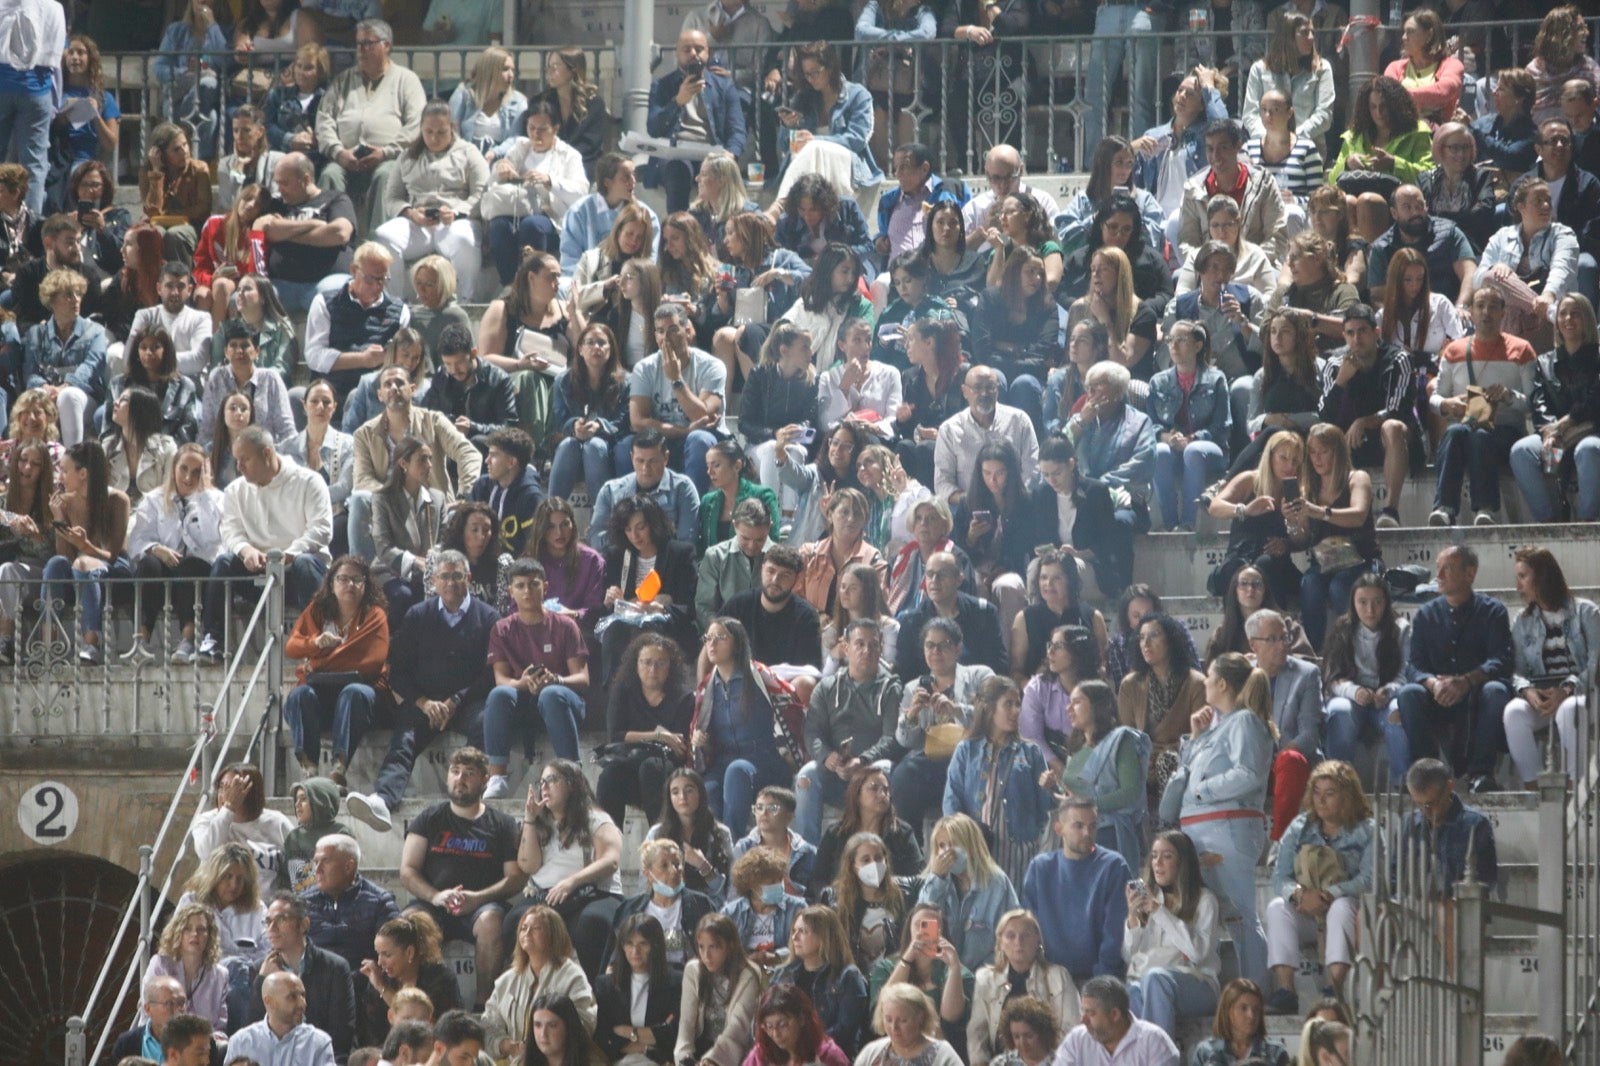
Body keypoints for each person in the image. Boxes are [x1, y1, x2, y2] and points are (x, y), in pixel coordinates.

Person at [397, 747, 525, 1008]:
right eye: (455, 772)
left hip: (482, 905)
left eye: (469, 773)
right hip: (435, 902)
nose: (460, 778)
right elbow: (407, 871)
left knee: (491, 922)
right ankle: (418, 1004)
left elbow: (515, 878)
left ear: (485, 780)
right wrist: (436, 896)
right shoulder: (430, 818)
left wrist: (477, 898)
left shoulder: (502, 824)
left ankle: (484, 1004)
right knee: (409, 923)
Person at [1175, 654, 1274, 988]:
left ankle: (1255, 991)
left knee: (1239, 915)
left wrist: (1203, 792)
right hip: (1203, 831)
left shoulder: (1245, 720)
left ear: (1222, 684)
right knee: (1210, 914)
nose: (1203, 681)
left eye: (1209, 675)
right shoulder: (1219, 725)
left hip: (1228, 830)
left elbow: (1249, 773)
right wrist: (1196, 736)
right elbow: (1189, 772)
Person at [196, 427, 332, 662]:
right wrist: (246, 550)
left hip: (298, 571)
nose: (239, 467)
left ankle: (320, 639)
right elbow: (230, 530)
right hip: (258, 571)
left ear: (267, 453)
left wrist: (290, 553)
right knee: (223, 563)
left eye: (245, 459)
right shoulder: (234, 490)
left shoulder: (309, 481)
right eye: (237, 460)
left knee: (306, 563)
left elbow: (321, 529)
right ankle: (213, 638)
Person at [1398, 543, 1516, 792]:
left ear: (1470, 573)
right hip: (1438, 694)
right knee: (1409, 693)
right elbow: (1414, 666)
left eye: (1447, 569)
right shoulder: (1425, 615)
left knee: (1496, 690)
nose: (1438, 576)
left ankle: (1481, 772)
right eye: (1437, 569)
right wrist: (1433, 683)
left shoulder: (1493, 612)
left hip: (1477, 694)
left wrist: (1466, 681)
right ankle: (1427, 773)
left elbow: (1502, 660)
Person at [1264, 761, 1373, 1015]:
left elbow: (1369, 878)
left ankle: (1332, 989)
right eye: (1316, 792)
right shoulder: (1300, 827)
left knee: (1342, 908)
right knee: (1277, 907)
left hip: (1345, 910)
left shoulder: (1366, 830)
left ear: (1347, 796)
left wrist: (1329, 894)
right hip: (1307, 909)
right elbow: (1280, 877)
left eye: (1330, 793)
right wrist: (1299, 894)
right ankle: (1286, 991)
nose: (1321, 800)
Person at [349, 362, 479, 561]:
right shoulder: (364, 434)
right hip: (388, 508)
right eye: (387, 384)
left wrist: (464, 493)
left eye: (399, 383)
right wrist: (394, 497)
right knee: (359, 500)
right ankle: (361, 572)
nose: (393, 387)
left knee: (457, 516)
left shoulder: (433, 421)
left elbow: (468, 453)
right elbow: (363, 479)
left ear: (412, 389)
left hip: (432, 507)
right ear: (380, 395)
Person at [509, 758, 626, 981]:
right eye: (541, 781)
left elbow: (610, 861)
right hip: (545, 894)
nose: (544, 786)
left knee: (591, 923)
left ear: (572, 784)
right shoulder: (539, 821)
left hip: (593, 893)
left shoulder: (597, 819)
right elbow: (528, 865)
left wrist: (572, 881)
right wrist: (530, 819)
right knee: (514, 920)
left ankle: (595, 992)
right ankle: (529, 989)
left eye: (552, 780)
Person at [1428, 287, 1536, 527]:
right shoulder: (1454, 351)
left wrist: (1509, 396)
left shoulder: (1521, 349)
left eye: (1493, 307)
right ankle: (1444, 508)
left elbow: (1533, 403)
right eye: (1480, 306)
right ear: (1471, 312)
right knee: (1456, 432)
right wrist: (1448, 404)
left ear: (1502, 313)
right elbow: (1435, 399)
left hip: (1506, 430)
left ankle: (1485, 509)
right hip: (1465, 425)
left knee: (1481, 437)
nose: (1486, 312)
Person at [479, 558, 589, 789]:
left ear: (545, 587)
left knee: (550, 693)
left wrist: (555, 679)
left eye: (533, 584)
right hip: (524, 702)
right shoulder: (502, 629)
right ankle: (497, 776)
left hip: (562, 703)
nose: (527, 591)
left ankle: (572, 774)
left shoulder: (565, 626)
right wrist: (523, 682)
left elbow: (582, 678)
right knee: (498, 695)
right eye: (520, 586)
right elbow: (501, 679)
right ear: (511, 592)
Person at [282, 554, 389, 788]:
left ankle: (339, 769)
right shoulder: (317, 610)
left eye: (356, 579)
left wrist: (314, 664)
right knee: (300, 696)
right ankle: (309, 769)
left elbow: (371, 661)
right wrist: (316, 643)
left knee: (353, 692)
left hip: (362, 696)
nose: (350, 584)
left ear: (366, 585)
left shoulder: (375, 614)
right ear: (331, 584)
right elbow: (292, 647)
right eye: (342, 579)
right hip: (321, 694)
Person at [313, 19, 427, 237]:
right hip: (346, 158)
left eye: (368, 44)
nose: (361, 50)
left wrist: (386, 152)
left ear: (387, 45)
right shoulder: (344, 80)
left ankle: (378, 245)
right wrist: (338, 152)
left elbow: (416, 124)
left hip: (388, 158)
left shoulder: (406, 80)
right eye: (358, 44)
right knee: (329, 174)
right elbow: (324, 120)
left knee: (386, 175)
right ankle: (330, 242)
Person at [1499, 547, 1597, 789]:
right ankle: (1535, 789)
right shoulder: (1522, 622)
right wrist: (1527, 691)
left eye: (1523, 577)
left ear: (1542, 577)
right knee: (1513, 712)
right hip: (1544, 694)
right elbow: (1518, 670)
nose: (1518, 585)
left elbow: (1596, 662)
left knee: (1568, 711)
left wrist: (1568, 688)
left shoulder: (1586, 612)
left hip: (1586, 694)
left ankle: (1578, 787)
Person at [690, 616, 795, 836]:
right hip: (722, 761)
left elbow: (791, 703)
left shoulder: (758, 674)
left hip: (763, 759)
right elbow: (701, 733)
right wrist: (701, 741)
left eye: (720, 637)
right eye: (708, 638)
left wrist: (790, 750)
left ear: (736, 642)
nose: (712, 643)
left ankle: (733, 852)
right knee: (705, 790)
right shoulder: (707, 685)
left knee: (736, 771)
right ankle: (712, 855)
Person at [1315, 304, 1414, 528]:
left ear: (1375, 333)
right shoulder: (1334, 364)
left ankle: (1390, 510)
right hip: (1350, 442)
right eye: (1350, 333)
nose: (1356, 339)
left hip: (1393, 441)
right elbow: (1324, 417)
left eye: (1362, 331)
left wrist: (1363, 422)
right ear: (1343, 336)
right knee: (1320, 436)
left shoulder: (1398, 359)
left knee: (1392, 426)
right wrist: (1341, 381)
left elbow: (1397, 409)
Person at [1510, 294, 1600, 522]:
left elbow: (1594, 400)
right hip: (1557, 435)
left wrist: (1565, 425)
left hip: (1591, 431)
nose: (1568, 319)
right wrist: (1551, 433)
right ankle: (1550, 521)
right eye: (1563, 313)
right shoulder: (1544, 362)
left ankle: (1587, 521)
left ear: (1587, 319)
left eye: (1575, 313)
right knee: (1521, 451)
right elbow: (1539, 403)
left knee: (1588, 450)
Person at [40, 440, 129, 665]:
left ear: (83, 473)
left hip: (112, 571)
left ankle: (92, 641)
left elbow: (113, 554)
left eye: (65, 470)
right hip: (79, 570)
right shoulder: (65, 502)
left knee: (84, 563)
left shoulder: (117, 500)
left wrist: (85, 546)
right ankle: (46, 644)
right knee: (55, 564)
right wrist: (59, 520)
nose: (60, 477)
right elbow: (65, 557)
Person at [628, 303, 727, 495]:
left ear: (688, 331)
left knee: (698, 438)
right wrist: (684, 430)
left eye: (673, 330)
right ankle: (635, 509)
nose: (666, 338)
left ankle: (694, 511)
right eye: (660, 331)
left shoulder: (712, 366)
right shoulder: (644, 368)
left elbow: (702, 416)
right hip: (665, 438)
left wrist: (676, 379)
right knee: (627, 447)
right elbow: (638, 422)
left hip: (706, 439)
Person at [1321, 573, 1411, 785]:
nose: (1370, 610)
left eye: (1377, 602)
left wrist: (1388, 690)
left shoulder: (1401, 629)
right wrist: (1354, 691)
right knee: (1338, 710)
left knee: (1398, 712)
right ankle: (1338, 781)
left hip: (1385, 697)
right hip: (1352, 696)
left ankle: (1404, 782)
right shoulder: (1342, 629)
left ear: (1386, 602)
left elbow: (1406, 673)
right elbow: (1332, 678)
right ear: (1353, 602)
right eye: (1363, 602)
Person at [645, 30, 747, 213]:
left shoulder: (723, 86)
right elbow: (653, 128)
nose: (693, 53)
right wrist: (677, 101)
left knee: (718, 172)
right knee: (678, 170)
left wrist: (731, 154)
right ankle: (679, 231)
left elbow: (737, 130)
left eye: (699, 49)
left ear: (708, 53)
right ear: (677, 53)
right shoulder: (661, 86)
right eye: (687, 49)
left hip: (712, 154)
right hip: (675, 155)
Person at [304, 242, 414, 409]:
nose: (377, 286)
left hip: (376, 397)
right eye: (370, 279)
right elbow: (314, 355)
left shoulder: (399, 311)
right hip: (332, 393)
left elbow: (403, 360)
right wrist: (363, 359)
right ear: (354, 270)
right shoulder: (325, 303)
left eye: (383, 279)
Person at [481, 908, 599, 1061]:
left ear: (553, 935)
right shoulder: (507, 980)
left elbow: (584, 1023)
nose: (527, 932)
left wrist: (538, 1049)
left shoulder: (572, 976)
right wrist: (507, 1045)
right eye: (523, 928)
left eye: (536, 928)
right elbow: (488, 1023)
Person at [966, 912, 1076, 1066]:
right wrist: (980, 1062)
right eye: (1010, 936)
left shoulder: (1058, 976)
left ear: (1038, 939)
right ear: (1000, 942)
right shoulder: (985, 979)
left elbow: (1071, 1030)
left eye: (1026, 935)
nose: (1018, 942)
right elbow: (977, 1031)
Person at [253, 153, 357, 313]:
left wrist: (286, 230)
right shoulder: (276, 205)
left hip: (327, 280)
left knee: (332, 296)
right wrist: (314, 225)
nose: (279, 189)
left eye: (285, 183)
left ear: (306, 179)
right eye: (277, 183)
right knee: (246, 299)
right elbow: (269, 231)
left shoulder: (335, 199)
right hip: (282, 284)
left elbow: (340, 233)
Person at [1177, 119, 1290, 264]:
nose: (1216, 156)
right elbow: (1187, 241)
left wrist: (1246, 264)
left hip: (1255, 267)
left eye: (1223, 148)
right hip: (1209, 270)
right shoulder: (1194, 188)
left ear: (1238, 146)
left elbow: (1276, 235)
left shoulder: (1263, 183)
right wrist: (1208, 265)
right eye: (1210, 149)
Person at [917, 813, 1017, 972]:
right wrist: (937, 880)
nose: (946, 852)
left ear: (971, 845)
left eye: (954, 844)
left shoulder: (998, 884)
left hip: (984, 977)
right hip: (939, 975)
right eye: (941, 846)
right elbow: (923, 931)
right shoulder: (935, 882)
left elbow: (1008, 942)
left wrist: (974, 978)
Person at [23, 268, 108, 447]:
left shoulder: (95, 331)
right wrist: (45, 386)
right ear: (52, 299)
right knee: (37, 396)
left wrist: (65, 386)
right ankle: (37, 455)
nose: (76, 300)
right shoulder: (36, 334)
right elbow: (30, 373)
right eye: (68, 295)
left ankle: (73, 458)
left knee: (68, 397)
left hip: (83, 396)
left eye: (78, 294)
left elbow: (91, 368)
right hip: (49, 392)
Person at [771, 906, 871, 1057]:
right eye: (794, 931)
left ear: (824, 937)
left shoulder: (848, 977)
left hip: (829, 1057)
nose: (794, 937)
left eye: (803, 931)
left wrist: (802, 1046)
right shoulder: (782, 974)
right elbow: (765, 1018)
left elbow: (844, 1031)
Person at [300, 832, 401, 979]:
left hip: (362, 988)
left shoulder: (379, 903)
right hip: (313, 988)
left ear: (348, 867)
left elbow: (394, 954)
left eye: (326, 861)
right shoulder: (303, 903)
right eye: (316, 862)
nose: (317, 869)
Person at [357, 913, 463, 1045]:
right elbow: (371, 1034)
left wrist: (382, 988)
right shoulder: (380, 979)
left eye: (387, 955)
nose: (379, 962)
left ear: (409, 952)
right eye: (378, 954)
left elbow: (436, 1027)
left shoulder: (441, 978)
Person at [1365, 184, 1478, 308]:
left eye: (1419, 206)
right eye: (1407, 207)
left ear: (1426, 206)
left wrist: (1461, 307)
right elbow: (1378, 297)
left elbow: (1470, 273)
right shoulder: (1381, 248)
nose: (1415, 212)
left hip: (1450, 311)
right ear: (1394, 213)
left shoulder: (1450, 233)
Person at [612, 838, 717, 970]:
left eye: (676, 864)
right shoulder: (630, 909)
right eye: (664, 865)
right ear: (648, 874)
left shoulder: (700, 905)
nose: (673, 871)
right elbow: (615, 959)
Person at [589, 430, 699, 554]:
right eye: (640, 461)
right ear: (631, 458)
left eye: (653, 461)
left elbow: (686, 541)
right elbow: (597, 537)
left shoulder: (682, 488)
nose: (645, 468)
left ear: (666, 457)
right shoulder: (611, 490)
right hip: (621, 562)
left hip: (667, 565)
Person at [594, 913, 683, 1065]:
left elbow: (671, 1035)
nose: (635, 951)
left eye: (643, 944)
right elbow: (604, 1037)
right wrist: (648, 1042)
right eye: (629, 943)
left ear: (655, 946)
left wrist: (629, 1032)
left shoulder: (676, 983)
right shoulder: (605, 985)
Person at [676, 912, 764, 1066]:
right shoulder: (693, 970)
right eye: (701, 947)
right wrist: (684, 1058)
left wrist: (711, 1061)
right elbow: (686, 1024)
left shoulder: (748, 974)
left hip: (733, 1054)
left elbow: (738, 1029)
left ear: (729, 945)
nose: (706, 955)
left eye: (713, 947)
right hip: (700, 1049)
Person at [1243, 14, 1336, 153]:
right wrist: (1268, 140)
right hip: (1266, 150)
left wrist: (1294, 139)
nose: (1311, 37)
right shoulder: (1259, 69)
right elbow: (1250, 114)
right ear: (1287, 36)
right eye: (1304, 32)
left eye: (1313, 33)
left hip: (1307, 148)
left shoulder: (1322, 68)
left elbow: (1324, 115)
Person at [648, 767, 737, 902]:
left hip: (710, 907)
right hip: (670, 903)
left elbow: (726, 888)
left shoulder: (720, 832)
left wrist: (703, 865)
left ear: (700, 794)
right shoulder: (657, 833)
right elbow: (646, 883)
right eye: (675, 792)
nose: (682, 797)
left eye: (689, 790)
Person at [1328, 75, 1435, 187]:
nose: (1378, 113)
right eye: (1373, 107)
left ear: (1396, 106)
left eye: (1384, 106)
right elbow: (1331, 180)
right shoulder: (1353, 137)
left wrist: (1394, 164)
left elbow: (1429, 174)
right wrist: (1347, 164)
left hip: (1397, 199)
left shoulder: (1417, 132)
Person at [143, 903, 231, 1034]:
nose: (194, 934)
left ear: (209, 935)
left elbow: (219, 1027)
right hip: (162, 1038)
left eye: (201, 929)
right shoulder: (160, 964)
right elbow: (148, 1014)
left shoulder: (220, 975)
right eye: (187, 929)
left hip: (202, 1044)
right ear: (178, 932)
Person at [1416, 123, 1499, 256]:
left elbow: (1484, 211)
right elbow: (1420, 215)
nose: (1461, 154)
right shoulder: (1424, 180)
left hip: (1470, 247)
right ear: (1440, 149)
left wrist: (1441, 222)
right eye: (1454, 148)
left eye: (1466, 147)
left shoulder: (1481, 176)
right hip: (1432, 247)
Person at [697, 500, 778, 628]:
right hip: (726, 633)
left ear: (769, 527)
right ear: (734, 526)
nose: (752, 546)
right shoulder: (715, 556)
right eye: (745, 538)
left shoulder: (779, 558)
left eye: (759, 540)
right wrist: (721, 632)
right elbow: (704, 607)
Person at [140, 123, 213, 263]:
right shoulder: (147, 172)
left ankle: (182, 277)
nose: (184, 152)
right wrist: (156, 173)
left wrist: (173, 215)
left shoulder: (199, 169)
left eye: (185, 145)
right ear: (162, 153)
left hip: (191, 225)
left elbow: (203, 207)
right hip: (160, 223)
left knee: (175, 234)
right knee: (153, 234)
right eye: (176, 150)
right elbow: (152, 211)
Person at [228, 971, 335, 1066]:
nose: (302, 1004)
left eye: (303, 995)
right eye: (292, 997)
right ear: (269, 1001)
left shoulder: (319, 1042)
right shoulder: (240, 1042)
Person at [118, 327, 200, 445]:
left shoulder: (185, 386)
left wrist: (163, 452)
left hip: (169, 453)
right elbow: (109, 429)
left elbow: (187, 431)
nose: (148, 352)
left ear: (166, 351)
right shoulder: (120, 384)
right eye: (143, 347)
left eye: (155, 347)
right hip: (129, 451)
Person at [1186, 979, 1288, 1066]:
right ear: (1228, 1011)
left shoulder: (1276, 1052)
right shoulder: (1205, 1052)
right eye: (1243, 1008)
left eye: (1256, 1009)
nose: (1251, 1015)